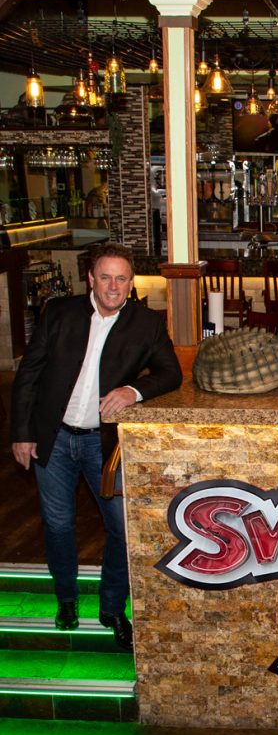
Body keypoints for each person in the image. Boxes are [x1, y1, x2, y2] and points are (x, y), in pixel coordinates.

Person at [11, 243, 183, 651]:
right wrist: (21, 432)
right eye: (105, 277)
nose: (113, 286)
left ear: (131, 282)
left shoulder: (146, 323)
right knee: (57, 526)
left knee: (121, 529)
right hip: (53, 437)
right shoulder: (59, 312)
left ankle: (112, 608)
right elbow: (29, 375)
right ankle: (66, 599)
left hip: (102, 444)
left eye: (121, 279)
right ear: (90, 278)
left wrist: (132, 390)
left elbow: (171, 373)